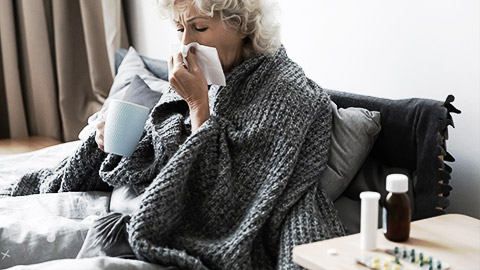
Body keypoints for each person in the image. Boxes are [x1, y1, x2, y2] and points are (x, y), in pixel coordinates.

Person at [2, 0, 346, 269]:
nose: (185, 43)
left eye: (199, 27)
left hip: (169, 221)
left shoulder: (285, 91)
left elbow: (223, 201)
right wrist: (105, 141)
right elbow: (154, 150)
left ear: (243, 26)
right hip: (129, 202)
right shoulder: (203, 72)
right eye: (179, 28)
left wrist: (198, 103)